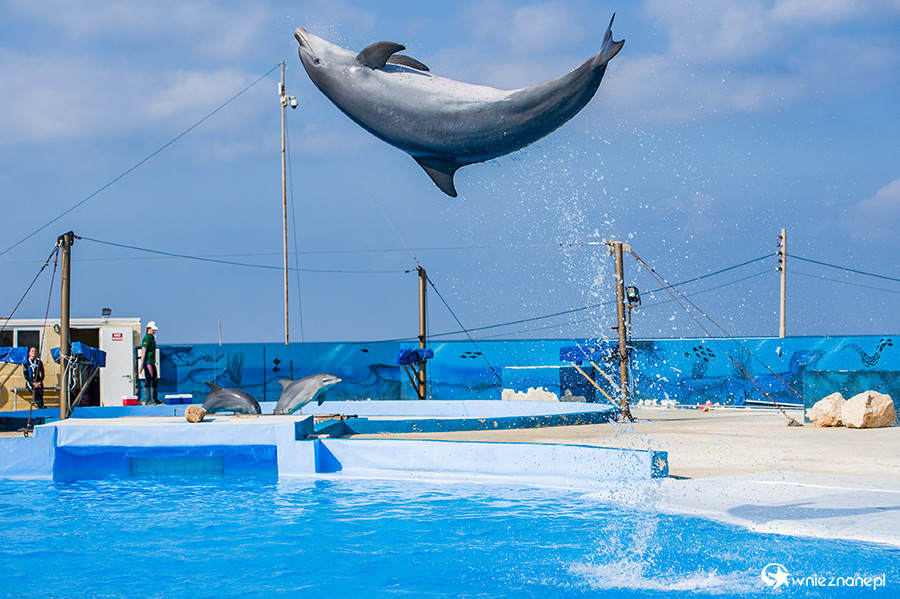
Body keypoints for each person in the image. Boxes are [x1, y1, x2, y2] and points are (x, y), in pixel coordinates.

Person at [140, 321, 162, 405]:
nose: (154, 331)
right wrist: (141, 365)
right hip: (148, 362)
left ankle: (155, 398)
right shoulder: (146, 338)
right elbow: (144, 351)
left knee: (155, 379)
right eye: (153, 330)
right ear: (149, 329)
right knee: (148, 379)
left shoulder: (152, 338)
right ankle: (148, 400)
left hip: (152, 362)